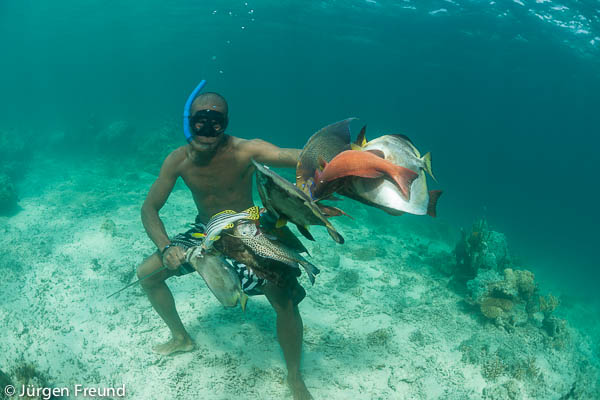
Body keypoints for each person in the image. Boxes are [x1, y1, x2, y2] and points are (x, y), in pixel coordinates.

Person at [136, 91, 313, 399]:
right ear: (189, 123)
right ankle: (180, 337)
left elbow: (292, 156)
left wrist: (351, 160)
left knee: (284, 301)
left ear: (225, 124)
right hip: (207, 229)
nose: (206, 131)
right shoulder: (177, 161)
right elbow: (149, 209)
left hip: (248, 227)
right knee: (147, 275)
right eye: (199, 122)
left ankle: (294, 376)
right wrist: (167, 248)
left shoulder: (245, 150)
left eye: (214, 123)